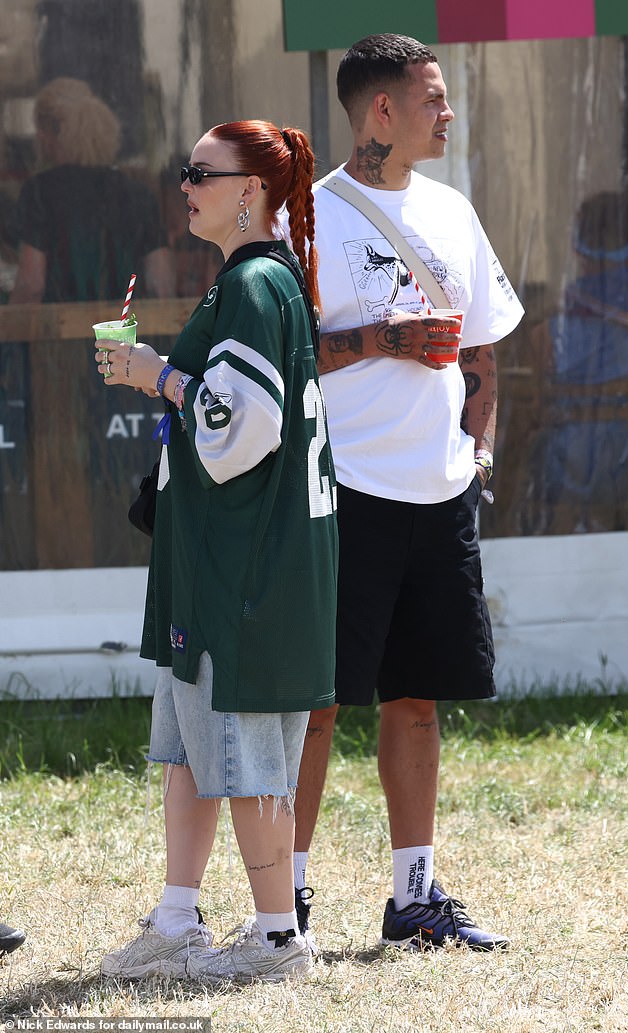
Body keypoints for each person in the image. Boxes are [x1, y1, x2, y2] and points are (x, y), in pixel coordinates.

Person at [290, 34, 524, 952]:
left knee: (418, 699)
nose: (448, 112)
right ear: (381, 110)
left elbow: (483, 347)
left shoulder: (454, 210)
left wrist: (482, 453)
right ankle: (287, 903)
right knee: (316, 703)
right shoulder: (309, 220)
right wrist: (379, 340)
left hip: (440, 494)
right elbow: (283, 359)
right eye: (432, 97)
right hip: (344, 491)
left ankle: (414, 898)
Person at [96, 120, 337, 984]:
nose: (185, 185)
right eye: (183, 170)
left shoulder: (254, 284)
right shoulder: (254, 281)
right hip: (218, 562)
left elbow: (244, 429)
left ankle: (277, 938)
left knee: (240, 754)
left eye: (201, 173)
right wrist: (160, 375)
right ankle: (175, 918)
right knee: (194, 747)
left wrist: (156, 376)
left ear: (250, 190)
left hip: (243, 567)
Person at [524, 190, 628, 533]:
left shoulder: (547, 333)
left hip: (565, 476)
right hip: (626, 471)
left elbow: (538, 410)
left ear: (575, 248)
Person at [9, 77, 173, 303]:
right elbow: (160, 284)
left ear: (46, 136)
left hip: (60, 334)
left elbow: (31, 286)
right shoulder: (138, 194)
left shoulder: (40, 192)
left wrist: (12, 331)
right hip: (125, 334)